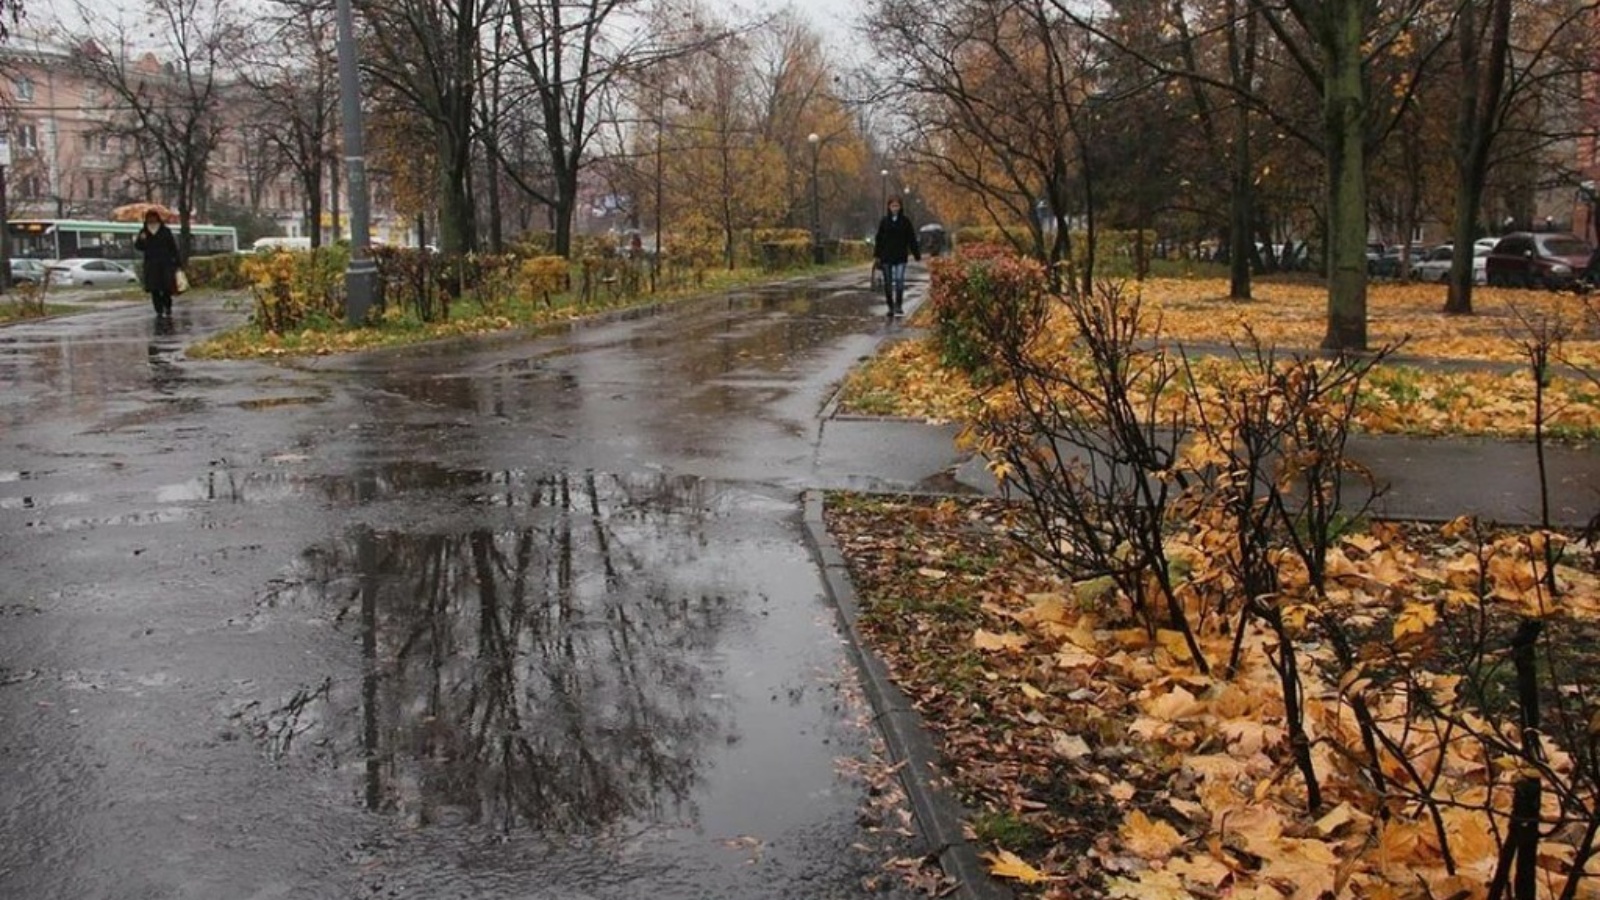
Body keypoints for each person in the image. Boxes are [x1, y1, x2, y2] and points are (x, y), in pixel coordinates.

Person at [873, 197, 921, 316]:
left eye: (897, 206)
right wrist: (877, 255)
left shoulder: (905, 221)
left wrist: (916, 254)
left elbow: (911, 238)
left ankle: (898, 305)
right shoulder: (884, 221)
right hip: (886, 256)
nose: (895, 208)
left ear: (900, 207)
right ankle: (890, 306)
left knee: (899, 280)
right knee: (888, 282)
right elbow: (878, 239)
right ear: (889, 207)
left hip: (900, 256)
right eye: (892, 206)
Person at [134, 210, 182, 318]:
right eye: (149, 217)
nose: (151, 219)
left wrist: (177, 262)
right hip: (151, 265)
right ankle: (158, 310)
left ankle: (167, 306)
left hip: (165, 264)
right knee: (154, 289)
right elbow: (138, 247)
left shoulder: (165, 231)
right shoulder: (144, 232)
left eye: (153, 217)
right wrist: (141, 240)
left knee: (166, 287)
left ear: (157, 218)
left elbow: (173, 247)